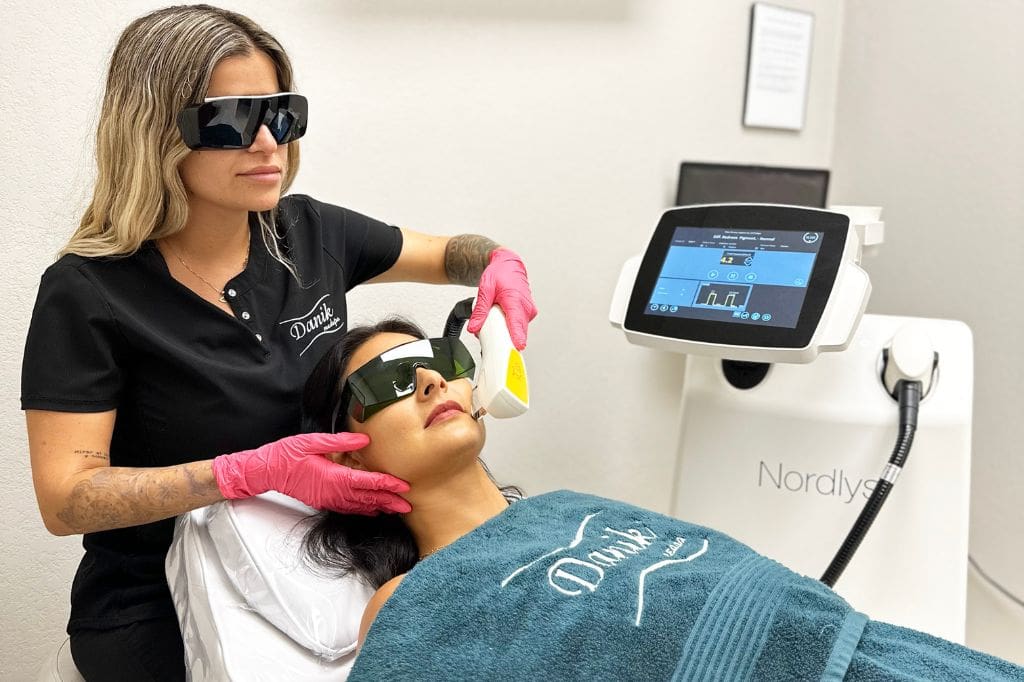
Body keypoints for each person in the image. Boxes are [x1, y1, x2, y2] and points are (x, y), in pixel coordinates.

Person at [20, 5, 536, 681]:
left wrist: (500, 262)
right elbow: (66, 500)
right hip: (158, 598)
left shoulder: (308, 233)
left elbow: (453, 254)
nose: (269, 142)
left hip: (332, 554)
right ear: (154, 134)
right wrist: (242, 473)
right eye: (233, 120)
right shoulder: (89, 293)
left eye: (282, 114)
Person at [300, 319, 1024, 681]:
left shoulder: (568, 506)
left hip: (868, 652)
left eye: (444, 363)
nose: (432, 383)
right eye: (392, 382)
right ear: (342, 451)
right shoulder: (403, 601)